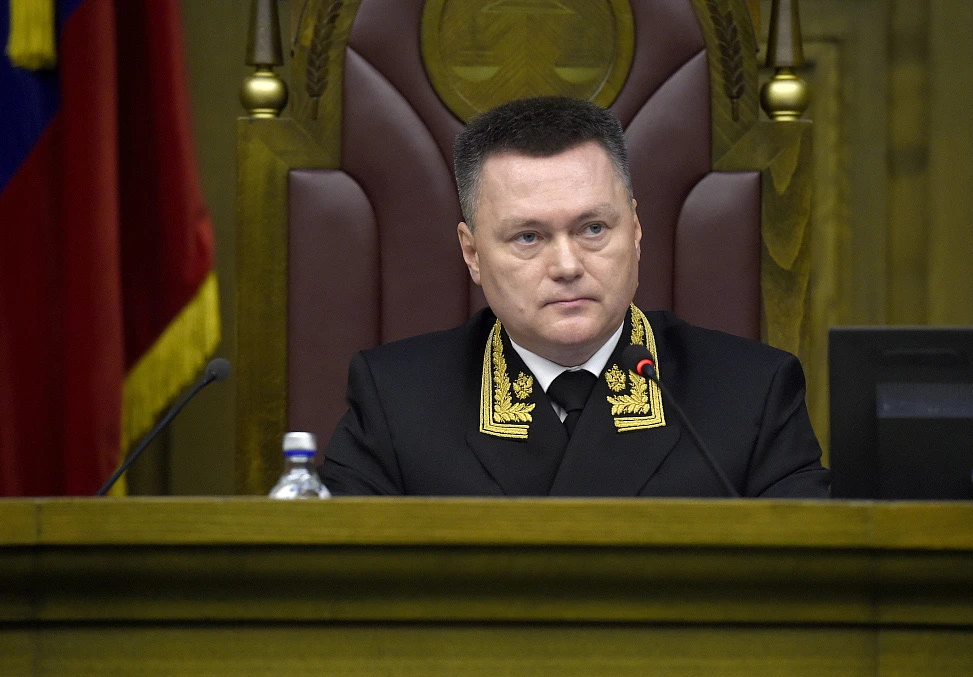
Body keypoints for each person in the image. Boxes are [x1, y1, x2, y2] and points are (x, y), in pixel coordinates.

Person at [319, 96, 829, 497]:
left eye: (593, 229)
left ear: (635, 231)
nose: (567, 266)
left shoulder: (752, 393)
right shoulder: (396, 401)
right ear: (472, 253)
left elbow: (808, 580)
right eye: (528, 237)